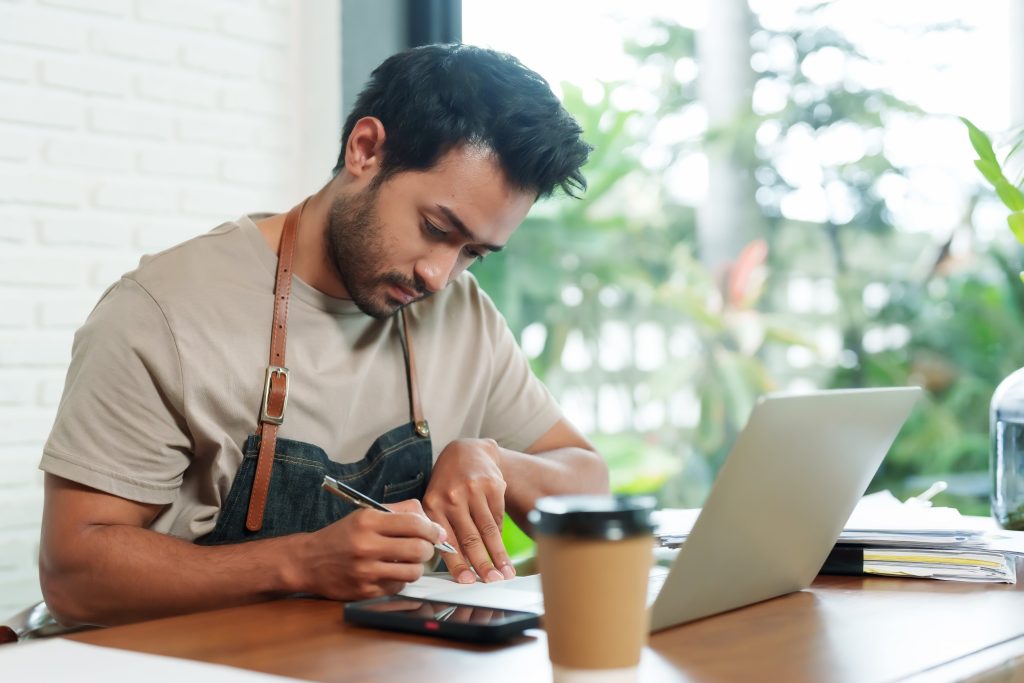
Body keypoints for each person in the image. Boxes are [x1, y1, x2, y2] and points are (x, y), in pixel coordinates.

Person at [36, 43, 608, 626]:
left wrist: (494, 461)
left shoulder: (462, 313)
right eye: (435, 228)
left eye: (474, 254)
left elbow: (588, 481)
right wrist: (303, 563)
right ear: (365, 150)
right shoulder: (163, 312)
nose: (440, 275)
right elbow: (73, 573)